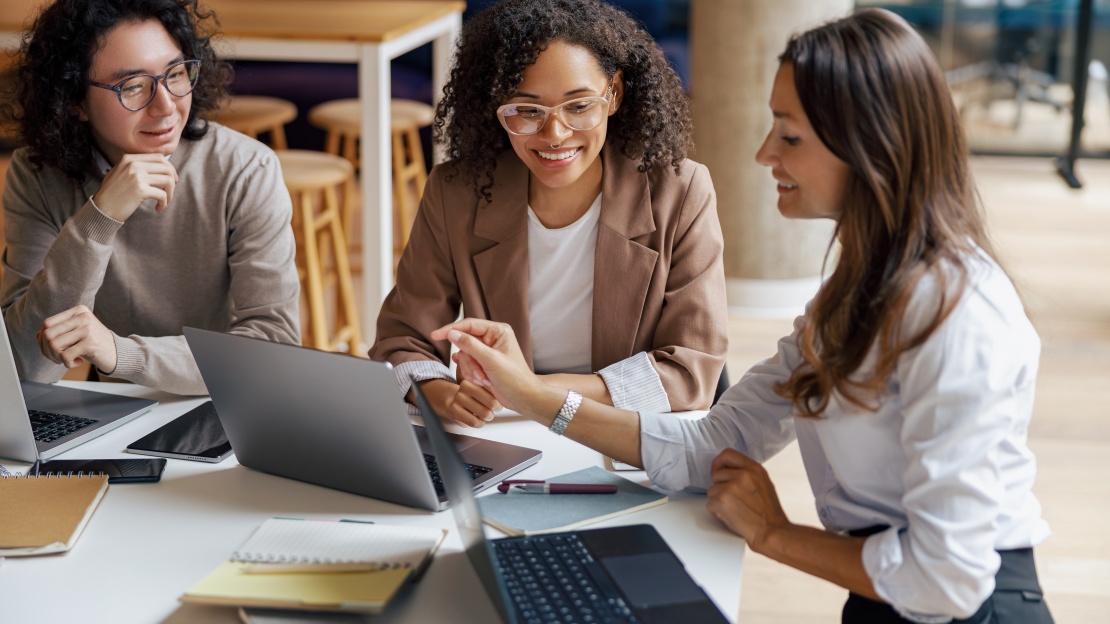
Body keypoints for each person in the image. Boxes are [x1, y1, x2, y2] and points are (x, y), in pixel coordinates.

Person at [432, 9, 1054, 624]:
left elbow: (947, 582)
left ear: (871, 145)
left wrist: (773, 533)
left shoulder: (956, 316)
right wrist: (537, 399)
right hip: (882, 597)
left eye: (788, 135)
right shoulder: (858, 292)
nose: (762, 154)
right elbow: (714, 442)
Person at [368, 0, 728, 426]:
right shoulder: (457, 193)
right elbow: (401, 339)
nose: (554, 135)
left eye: (578, 106)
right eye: (527, 111)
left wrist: (533, 391)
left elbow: (691, 371)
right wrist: (440, 394)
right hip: (511, 430)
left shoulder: (681, 191)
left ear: (613, 93)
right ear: (498, 107)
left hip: (628, 430)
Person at [1, 0, 300, 395]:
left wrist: (122, 354)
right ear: (74, 100)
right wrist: (100, 218)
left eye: (176, 74)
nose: (166, 107)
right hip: (114, 407)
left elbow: (274, 348)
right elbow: (26, 367)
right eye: (133, 86)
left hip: (225, 402)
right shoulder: (37, 174)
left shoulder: (245, 170)